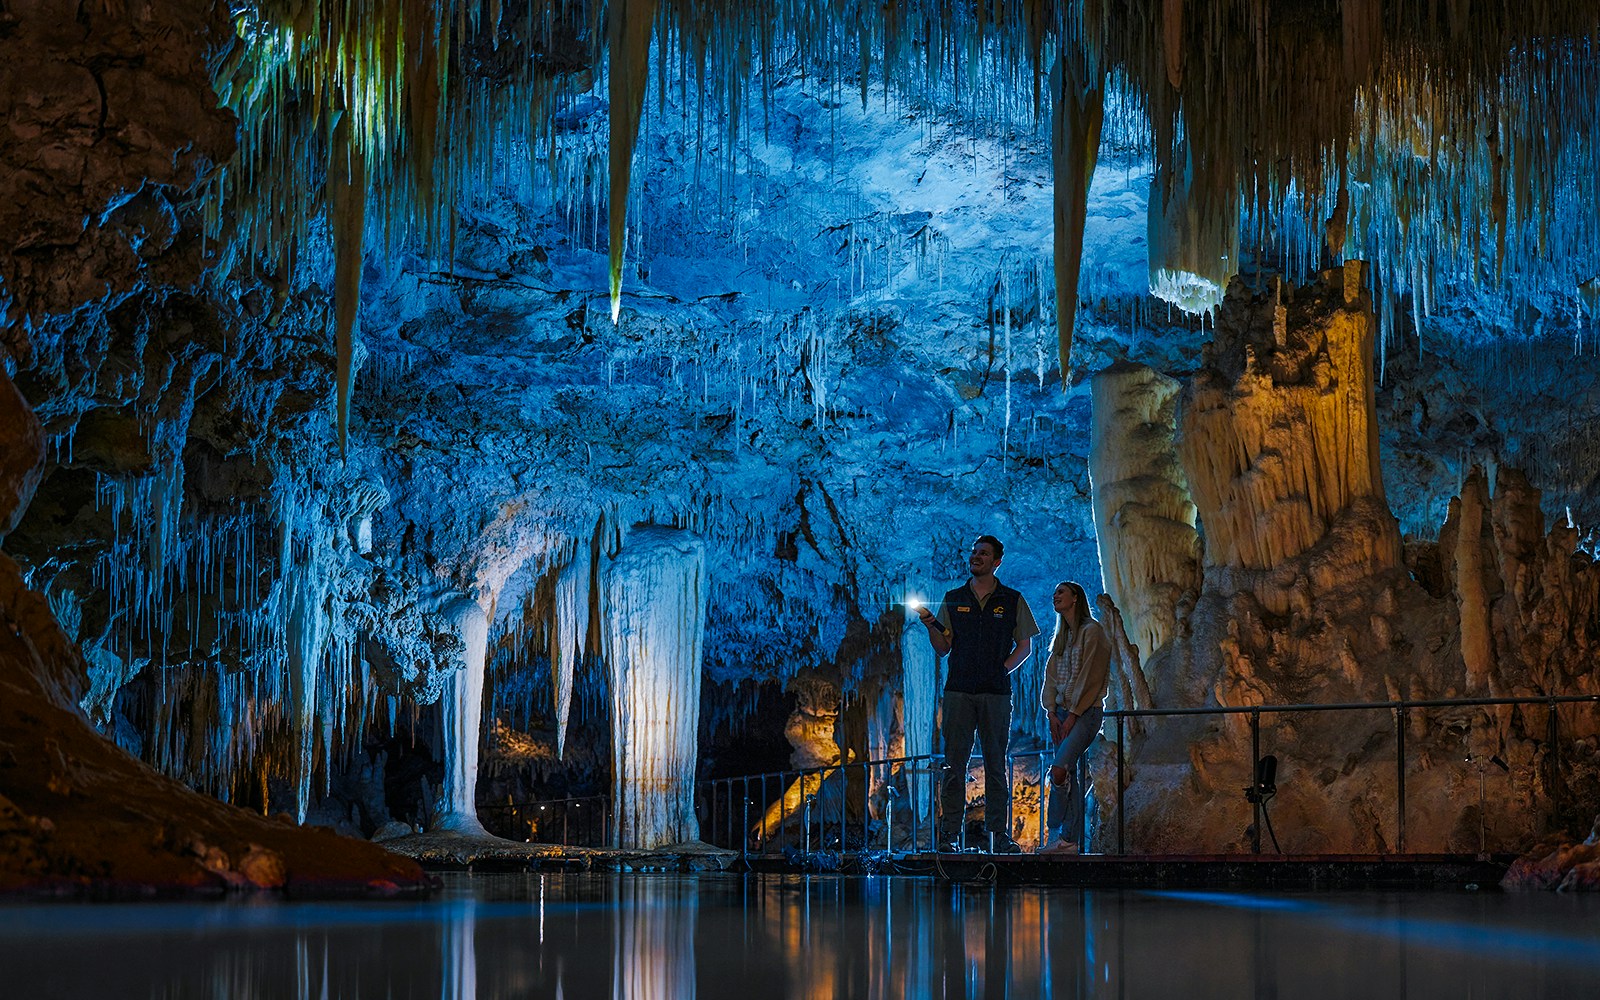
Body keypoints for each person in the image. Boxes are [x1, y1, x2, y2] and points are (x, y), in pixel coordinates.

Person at [917, 535, 1038, 853]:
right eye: (973, 552)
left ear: (997, 561)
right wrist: (931, 624)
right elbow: (943, 649)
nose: (976, 557)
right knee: (954, 764)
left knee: (996, 764)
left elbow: (1025, 646)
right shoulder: (954, 598)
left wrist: (1001, 671)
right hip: (958, 691)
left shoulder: (1012, 600)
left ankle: (998, 834)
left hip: (996, 694)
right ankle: (949, 835)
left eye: (983, 553)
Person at [1039, 580, 1111, 855]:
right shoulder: (1062, 638)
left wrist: (1073, 715)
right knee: (1068, 774)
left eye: (1061, 592)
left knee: (1058, 771)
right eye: (1054, 591)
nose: (1055, 595)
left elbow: (1091, 676)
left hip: (1086, 713)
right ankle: (1068, 841)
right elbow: (1052, 677)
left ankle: (1059, 831)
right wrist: (1051, 712)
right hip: (1062, 714)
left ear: (1075, 599)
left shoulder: (1093, 632)